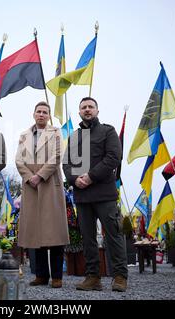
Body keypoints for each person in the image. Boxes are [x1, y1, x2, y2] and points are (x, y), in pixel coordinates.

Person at [63, 97, 128, 292]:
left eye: (91, 107)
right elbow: (66, 163)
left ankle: (119, 277)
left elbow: (114, 157)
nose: (87, 110)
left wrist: (91, 176)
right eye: (83, 107)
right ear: (79, 112)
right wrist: (76, 180)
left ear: (97, 111)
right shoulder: (74, 137)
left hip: (104, 194)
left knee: (114, 236)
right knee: (88, 238)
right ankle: (93, 277)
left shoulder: (108, 131)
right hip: (82, 196)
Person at [15, 101, 69, 289]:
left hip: (49, 186)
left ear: (49, 116)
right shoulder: (24, 135)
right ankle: (40, 275)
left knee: (54, 232)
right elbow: (19, 160)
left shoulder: (55, 133)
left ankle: (56, 276)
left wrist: (40, 175)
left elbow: (56, 157)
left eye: (45, 112)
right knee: (34, 232)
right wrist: (30, 178)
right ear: (33, 114)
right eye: (38, 111)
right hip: (31, 187)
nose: (41, 114)